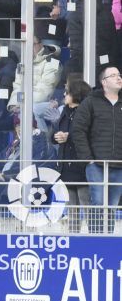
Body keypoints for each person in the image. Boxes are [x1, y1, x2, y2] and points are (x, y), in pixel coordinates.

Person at [72, 65, 122, 235]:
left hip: (119, 164)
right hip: (97, 164)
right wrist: (88, 159)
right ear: (104, 82)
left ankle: (107, 240)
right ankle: (96, 238)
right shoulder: (91, 102)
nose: (118, 77)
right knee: (99, 203)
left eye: (119, 75)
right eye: (113, 75)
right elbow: (78, 129)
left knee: (112, 206)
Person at [52, 78, 91, 234]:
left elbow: (90, 135)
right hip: (66, 166)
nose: (64, 94)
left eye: (68, 91)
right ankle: (73, 237)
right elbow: (52, 133)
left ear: (76, 93)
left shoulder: (87, 112)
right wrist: (56, 136)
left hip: (81, 166)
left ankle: (94, 237)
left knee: (86, 203)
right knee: (71, 207)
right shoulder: (64, 112)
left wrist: (70, 136)